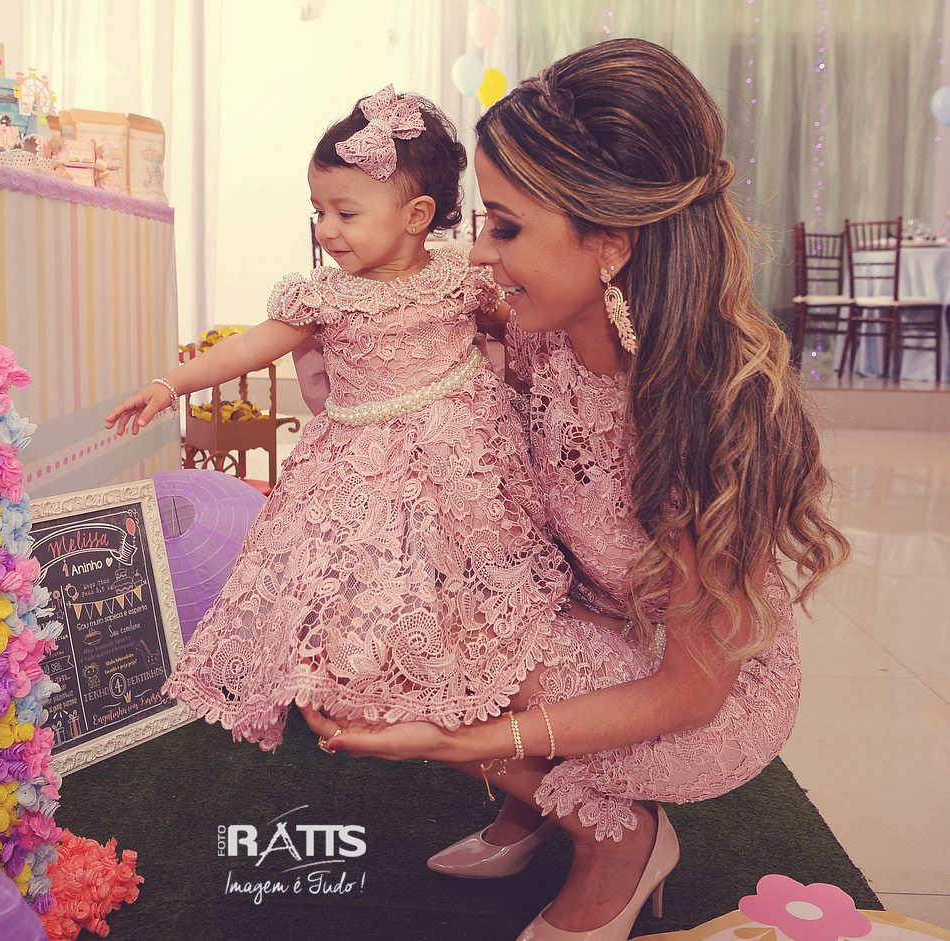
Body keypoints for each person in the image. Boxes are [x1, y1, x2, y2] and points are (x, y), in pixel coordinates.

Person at [299, 39, 850, 939]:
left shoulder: (704, 416)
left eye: (505, 228)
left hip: (695, 697)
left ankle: (617, 838)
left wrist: (462, 739)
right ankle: (540, 802)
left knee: (394, 668)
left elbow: (690, 692)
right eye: (483, 222)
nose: (479, 253)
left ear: (611, 244)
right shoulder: (539, 328)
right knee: (349, 634)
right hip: (581, 610)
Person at [105, 85, 570, 753]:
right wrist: (170, 383)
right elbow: (250, 346)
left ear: (416, 215)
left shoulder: (461, 278)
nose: (326, 229)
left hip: (463, 457)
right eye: (319, 210)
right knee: (370, 586)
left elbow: (525, 328)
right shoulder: (322, 297)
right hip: (360, 467)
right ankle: (389, 684)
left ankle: (489, 689)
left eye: (345, 212)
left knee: (473, 578)